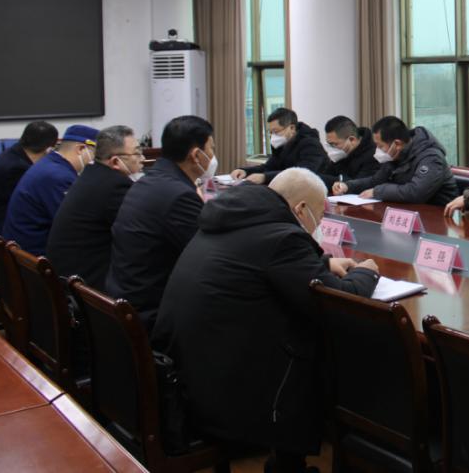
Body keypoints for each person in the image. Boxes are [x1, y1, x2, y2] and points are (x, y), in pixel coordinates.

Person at [154, 168, 379, 473]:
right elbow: (337, 302)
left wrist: (322, 263)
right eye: (319, 215)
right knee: (314, 342)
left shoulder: (232, 218)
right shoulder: (284, 238)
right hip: (228, 392)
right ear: (301, 208)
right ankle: (294, 462)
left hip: (190, 373)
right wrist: (366, 272)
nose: (320, 224)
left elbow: (261, 265)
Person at [106, 115, 215, 330]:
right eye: (211, 149)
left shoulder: (148, 181)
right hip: (151, 313)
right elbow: (207, 257)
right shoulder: (179, 195)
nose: (213, 156)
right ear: (196, 155)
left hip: (124, 300)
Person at [46, 125, 142, 288]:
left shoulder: (92, 173)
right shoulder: (114, 186)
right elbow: (137, 233)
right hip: (85, 283)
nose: (141, 158)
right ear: (115, 161)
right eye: (137, 153)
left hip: (67, 274)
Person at [2, 124, 97, 255]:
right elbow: (74, 225)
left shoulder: (50, 163)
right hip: (37, 254)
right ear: (81, 149)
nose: (95, 161)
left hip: (25, 248)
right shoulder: (58, 176)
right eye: (95, 154)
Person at [332, 116, 457, 207]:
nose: (377, 150)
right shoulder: (395, 155)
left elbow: (415, 192)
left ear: (397, 144)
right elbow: (375, 180)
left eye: (380, 146)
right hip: (407, 211)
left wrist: (377, 191)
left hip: (438, 215)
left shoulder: (431, 157)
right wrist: (348, 186)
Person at [0, 121, 58, 232]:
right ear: (49, 148)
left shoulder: (16, 152)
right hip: (5, 224)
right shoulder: (17, 169)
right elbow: (29, 205)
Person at [231, 108, 326, 185]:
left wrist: (265, 177)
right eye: (270, 132)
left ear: (292, 128)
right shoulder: (282, 143)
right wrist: (245, 171)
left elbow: (301, 173)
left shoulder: (311, 144)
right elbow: (268, 167)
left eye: (276, 131)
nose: (273, 136)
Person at [318, 115, 379, 189]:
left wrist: (339, 180)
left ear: (352, 139)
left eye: (335, 144)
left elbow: (359, 185)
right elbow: (326, 176)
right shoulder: (341, 154)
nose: (332, 148)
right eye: (329, 144)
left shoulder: (374, 155)